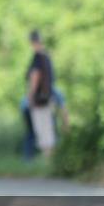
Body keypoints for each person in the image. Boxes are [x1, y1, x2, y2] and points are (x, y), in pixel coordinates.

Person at [25, 30, 58, 158]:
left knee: (42, 132)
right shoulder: (47, 56)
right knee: (48, 131)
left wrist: (30, 97)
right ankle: (51, 160)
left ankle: (48, 160)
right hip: (48, 98)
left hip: (39, 100)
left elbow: (35, 77)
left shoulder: (37, 57)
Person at [20, 86, 68, 160]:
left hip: (27, 108)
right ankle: (47, 158)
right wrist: (65, 125)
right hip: (33, 109)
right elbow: (63, 110)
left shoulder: (52, 91)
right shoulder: (55, 92)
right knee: (48, 135)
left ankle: (29, 159)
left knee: (31, 133)